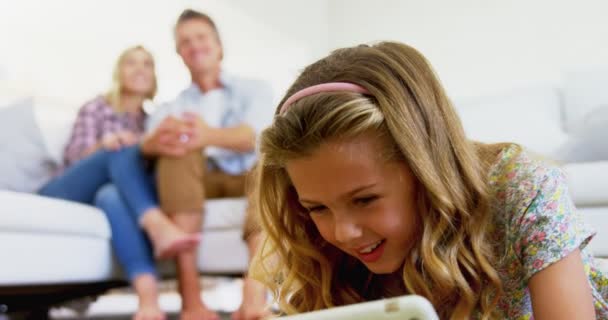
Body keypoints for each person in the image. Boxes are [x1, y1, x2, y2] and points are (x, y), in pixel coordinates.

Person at [250, 41, 608, 319]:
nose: (343, 232)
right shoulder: (324, 251)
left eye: (364, 199)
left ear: (426, 171)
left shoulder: (524, 188)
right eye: (317, 208)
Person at [39, 45, 199, 320]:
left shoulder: (152, 122)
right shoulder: (96, 108)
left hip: (107, 197)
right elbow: (75, 157)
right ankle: (156, 223)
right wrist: (105, 144)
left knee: (111, 195)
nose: (140, 69)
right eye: (131, 63)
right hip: (67, 191)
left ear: (154, 76)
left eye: (147, 64)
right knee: (120, 150)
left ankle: (148, 302)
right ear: (119, 72)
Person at [137, 9, 274, 320]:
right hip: (200, 182)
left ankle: (253, 298)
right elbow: (148, 141)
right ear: (179, 54)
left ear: (219, 46)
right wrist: (157, 141)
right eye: (185, 42)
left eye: (200, 37)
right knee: (176, 154)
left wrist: (205, 135)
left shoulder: (254, 89)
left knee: (270, 167)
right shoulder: (174, 105)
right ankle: (192, 303)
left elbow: (258, 135)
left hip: (249, 173)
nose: (194, 46)